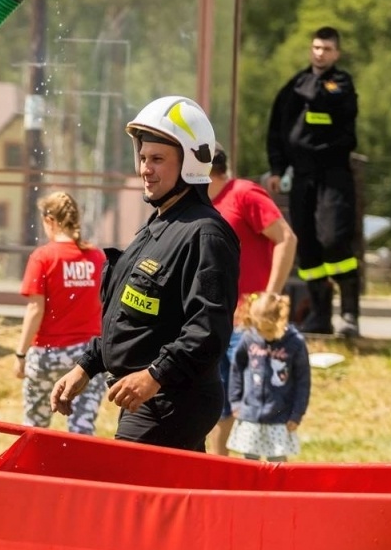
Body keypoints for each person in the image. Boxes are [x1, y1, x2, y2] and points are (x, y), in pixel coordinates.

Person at [50, 96, 238, 451]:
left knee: (127, 500)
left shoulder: (205, 234)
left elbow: (209, 331)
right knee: (172, 505)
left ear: (190, 163)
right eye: (142, 158)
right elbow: (132, 318)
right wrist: (86, 367)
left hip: (171, 401)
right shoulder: (159, 225)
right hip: (153, 398)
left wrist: (155, 376)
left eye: (157, 159)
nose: (145, 169)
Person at [265, 26, 360, 338]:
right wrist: (277, 169)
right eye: (317, 48)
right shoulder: (294, 86)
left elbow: (328, 98)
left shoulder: (340, 84)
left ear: (337, 53)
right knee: (307, 248)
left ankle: (349, 313)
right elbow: (277, 129)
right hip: (301, 177)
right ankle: (320, 314)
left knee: (334, 239)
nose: (320, 53)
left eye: (327, 49)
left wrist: (311, 86)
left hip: (333, 174)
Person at [206, 143, 298, 455]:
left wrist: (269, 297)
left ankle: (265, 481)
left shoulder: (244, 193)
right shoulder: (197, 205)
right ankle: (219, 481)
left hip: (249, 323)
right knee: (220, 405)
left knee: (259, 403)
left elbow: (286, 238)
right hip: (213, 321)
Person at [15, 191, 105, 435]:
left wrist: (21, 354)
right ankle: (77, 472)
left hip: (46, 356)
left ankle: (33, 472)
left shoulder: (43, 257)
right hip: (87, 358)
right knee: (82, 430)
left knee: (34, 429)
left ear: (50, 220)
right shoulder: (97, 257)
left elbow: (35, 309)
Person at [226, 294, 310, 462]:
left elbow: (303, 381)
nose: (264, 335)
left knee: (277, 462)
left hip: (280, 417)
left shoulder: (295, 343)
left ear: (280, 322)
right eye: (259, 330)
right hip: (250, 414)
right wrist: (235, 402)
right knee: (249, 463)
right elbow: (237, 368)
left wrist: (296, 415)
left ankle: (278, 489)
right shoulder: (249, 337)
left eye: (269, 331)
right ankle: (251, 489)